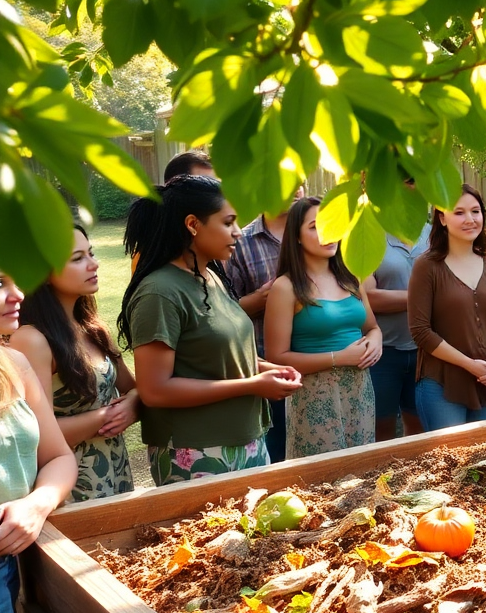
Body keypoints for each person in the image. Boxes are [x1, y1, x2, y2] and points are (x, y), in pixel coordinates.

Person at [119, 174, 302, 485]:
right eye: (228, 222)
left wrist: (265, 369)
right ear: (193, 224)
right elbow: (154, 389)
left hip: (246, 440)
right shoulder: (159, 292)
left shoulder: (211, 277)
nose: (237, 233)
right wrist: (252, 384)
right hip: (196, 450)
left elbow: (211, 356)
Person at [0, 271, 78, 613]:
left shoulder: (13, 363)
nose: (18, 296)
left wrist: (37, 502)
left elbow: (59, 457)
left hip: (14, 567)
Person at [10, 226, 137, 501]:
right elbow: (40, 435)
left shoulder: (91, 326)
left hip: (117, 476)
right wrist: (108, 416)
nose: (94, 263)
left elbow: (132, 388)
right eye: (77, 258)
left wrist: (134, 404)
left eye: (90, 253)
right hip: (71, 488)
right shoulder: (32, 339)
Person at [265, 197, 380, 458]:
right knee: (323, 482)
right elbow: (276, 358)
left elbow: (372, 326)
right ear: (296, 236)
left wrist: (376, 340)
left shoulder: (351, 276)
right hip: (315, 396)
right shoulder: (286, 287)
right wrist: (338, 358)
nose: (327, 233)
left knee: (362, 474)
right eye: (316, 226)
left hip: (359, 391)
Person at [408, 185, 486, 429]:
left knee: (483, 463)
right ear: (442, 219)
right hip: (441, 385)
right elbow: (420, 331)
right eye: (459, 213)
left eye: (475, 212)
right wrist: (469, 364)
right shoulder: (426, 266)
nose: (470, 219)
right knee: (450, 464)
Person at [225, 195, 292, 461]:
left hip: (322, 364)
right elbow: (225, 311)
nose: (296, 189)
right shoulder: (242, 240)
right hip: (268, 365)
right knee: (275, 453)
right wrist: (261, 299)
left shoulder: (324, 232)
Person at [363, 187, 431, 442]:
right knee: (381, 430)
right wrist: (425, 298)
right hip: (383, 353)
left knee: (421, 428)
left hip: (427, 350)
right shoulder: (370, 235)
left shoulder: (432, 233)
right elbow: (369, 297)